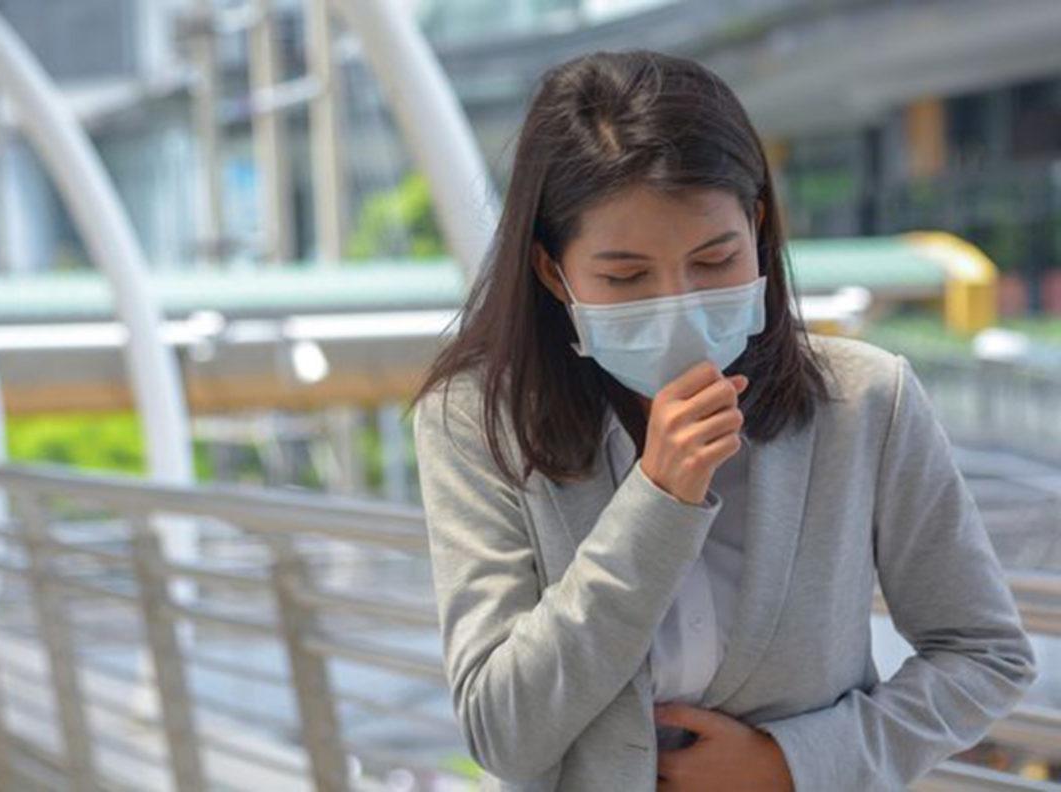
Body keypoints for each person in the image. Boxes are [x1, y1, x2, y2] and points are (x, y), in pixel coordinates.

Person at [409, 50, 1037, 791]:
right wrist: (656, 503)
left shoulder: (865, 402)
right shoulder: (479, 421)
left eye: (714, 262)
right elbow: (502, 733)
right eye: (625, 277)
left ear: (757, 227)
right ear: (553, 271)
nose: (678, 304)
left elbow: (986, 655)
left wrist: (793, 764)